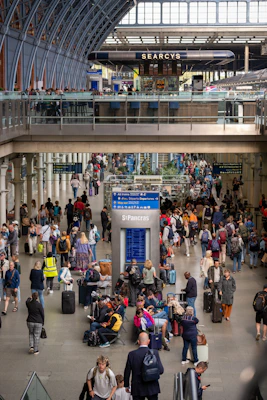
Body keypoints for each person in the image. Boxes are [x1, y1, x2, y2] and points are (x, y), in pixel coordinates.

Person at [124, 331, 164, 400]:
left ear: (138, 341)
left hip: (137, 388)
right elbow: (161, 370)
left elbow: (127, 372)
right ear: (148, 341)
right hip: (152, 387)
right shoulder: (154, 353)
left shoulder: (132, 354)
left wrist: (126, 386)